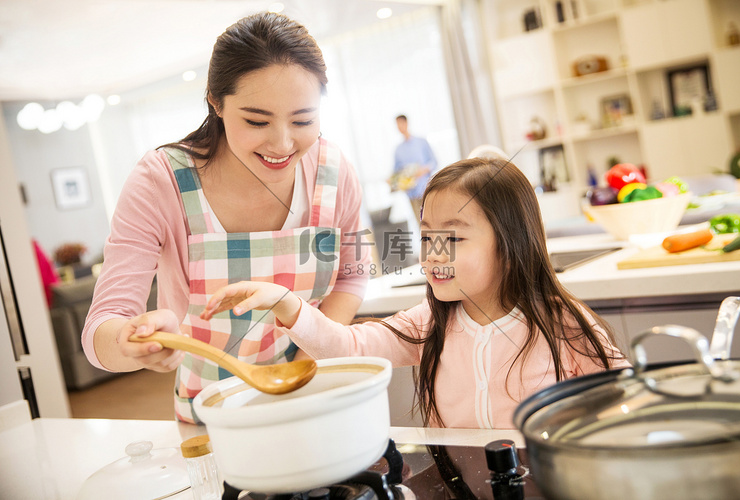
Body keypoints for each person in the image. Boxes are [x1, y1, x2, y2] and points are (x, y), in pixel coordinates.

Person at [82, 12, 371, 424]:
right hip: (215, 414)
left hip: (318, 393)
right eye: (257, 120)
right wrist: (130, 341)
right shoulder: (160, 181)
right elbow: (101, 328)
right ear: (215, 102)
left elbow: (354, 273)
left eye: (303, 120)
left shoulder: (335, 171)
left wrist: (311, 352)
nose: (283, 143)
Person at [199, 156, 630, 429]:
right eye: (426, 237)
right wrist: (286, 302)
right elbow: (345, 346)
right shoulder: (428, 323)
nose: (433, 254)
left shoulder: (562, 323)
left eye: (454, 239)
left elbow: (626, 399)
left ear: (511, 244)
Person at [392, 114, 437, 220]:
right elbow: (396, 171)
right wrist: (392, 180)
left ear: (406, 123)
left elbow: (434, 162)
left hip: (425, 189)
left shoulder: (421, 142)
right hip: (411, 192)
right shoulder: (398, 150)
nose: (399, 127)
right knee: (420, 223)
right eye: (397, 125)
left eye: (401, 123)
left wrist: (423, 170)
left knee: (432, 219)